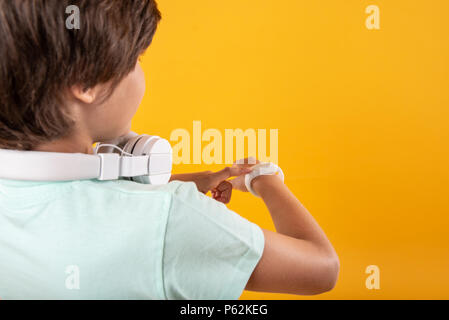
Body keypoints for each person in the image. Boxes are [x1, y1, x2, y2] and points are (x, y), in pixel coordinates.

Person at [0, 0, 339, 299]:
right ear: (87, 84)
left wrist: (193, 180)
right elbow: (321, 268)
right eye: (136, 58)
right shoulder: (172, 219)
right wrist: (263, 178)